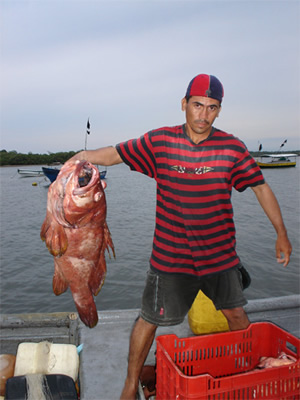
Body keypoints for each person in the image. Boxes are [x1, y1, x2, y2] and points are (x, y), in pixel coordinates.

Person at [70, 74, 292, 399]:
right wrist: (78, 158)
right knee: (148, 320)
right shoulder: (160, 142)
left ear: (219, 110)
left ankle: (248, 377)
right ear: (184, 104)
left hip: (220, 257)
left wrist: (281, 234)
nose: (203, 115)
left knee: (236, 315)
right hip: (170, 259)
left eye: (212, 108)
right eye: (197, 105)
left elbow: (260, 186)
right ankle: (130, 386)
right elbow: (115, 153)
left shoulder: (231, 147)